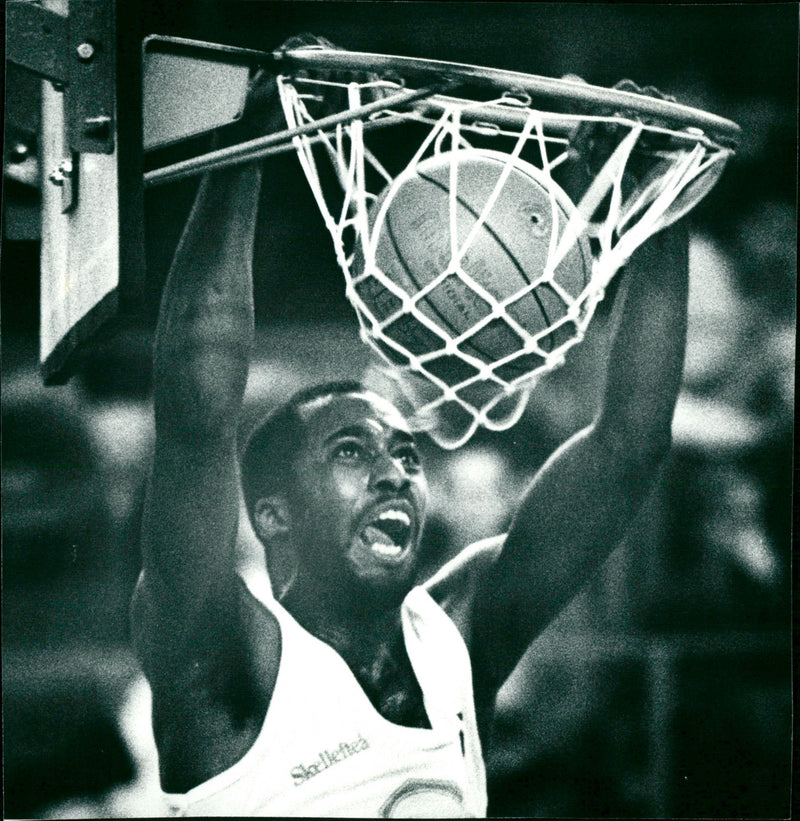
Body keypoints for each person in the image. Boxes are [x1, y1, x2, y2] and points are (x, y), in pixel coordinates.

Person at [131, 65, 689, 817]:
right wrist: (253, 137)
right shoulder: (234, 660)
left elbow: (627, 445)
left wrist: (658, 215)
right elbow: (196, 420)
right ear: (271, 515)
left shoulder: (455, 639)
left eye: (406, 455)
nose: (395, 473)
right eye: (351, 452)